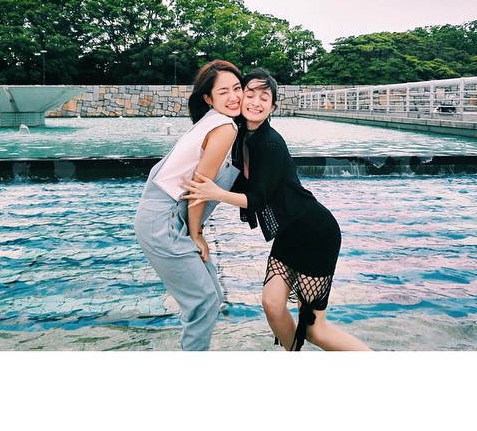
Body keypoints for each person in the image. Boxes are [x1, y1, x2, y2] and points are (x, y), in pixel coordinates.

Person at [182, 68, 372, 351]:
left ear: (272, 107)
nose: (256, 102)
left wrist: (215, 193)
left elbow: (258, 199)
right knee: (272, 305)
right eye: (250, 94)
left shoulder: (269, 142)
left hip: (315, 232)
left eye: (265, 98)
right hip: (289, 233)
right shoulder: (240, 136)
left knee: (314, 328)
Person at [134, 60, 243, 351]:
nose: (234, 97)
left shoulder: (211, 120)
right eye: (223, 92)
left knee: (212, 296)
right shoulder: (224, 127)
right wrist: (196, 234)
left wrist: (195, 229)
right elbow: (199, 186)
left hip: (166, 217)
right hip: (164, 221)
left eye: (237, 88)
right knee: (203, 303)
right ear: (208, 98)